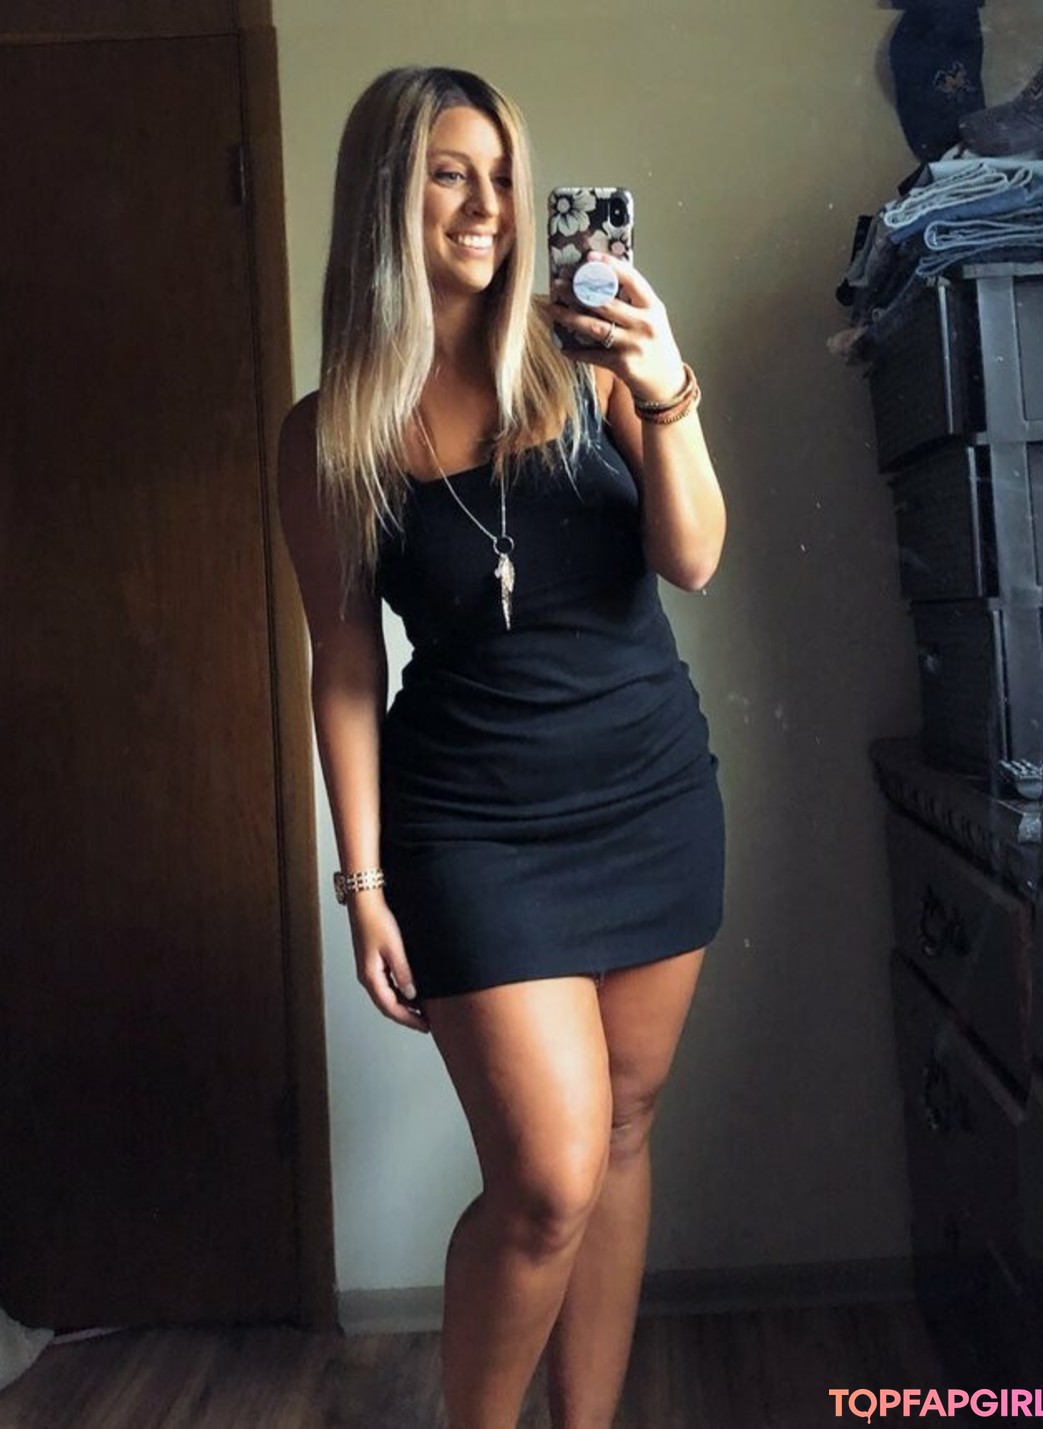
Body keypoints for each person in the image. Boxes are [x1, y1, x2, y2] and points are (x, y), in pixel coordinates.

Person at [278, 65, 727, 1429]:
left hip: (651, 794)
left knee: (625, 1134)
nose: (485, 205)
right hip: (471, 828)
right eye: (447, 174)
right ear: (385, 196)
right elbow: (346, 661)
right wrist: (362, 882)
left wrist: (667, 387)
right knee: (546, 1178)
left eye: (501, 177)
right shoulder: (331, 433)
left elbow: (694, 557)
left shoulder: (588, 353)